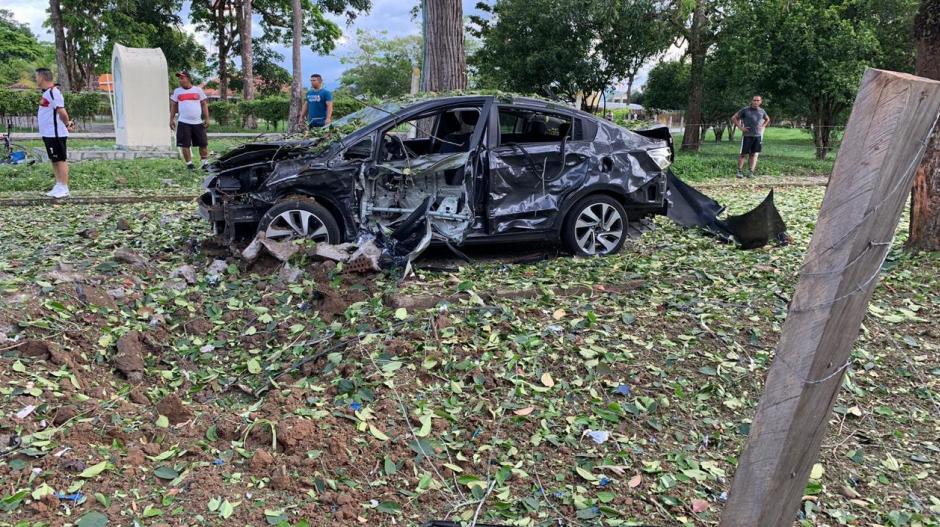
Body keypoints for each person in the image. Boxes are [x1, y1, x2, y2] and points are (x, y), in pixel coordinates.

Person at [36, 68, 75, 198]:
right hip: (48, 133)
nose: (36, 79)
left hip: (56, 133)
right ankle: (58, 185)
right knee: (54, 159)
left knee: (60, 159)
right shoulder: (47, 93)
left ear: (42, 77)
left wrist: (67, 124)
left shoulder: (53, 92)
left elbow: (61, 111)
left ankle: (64, 187)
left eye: (36, 77)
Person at [169, 71, 210, 170]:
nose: (180, 80)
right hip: (183, 122)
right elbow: (174, 106)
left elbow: (204, 104)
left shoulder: (198, 90)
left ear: (188, 79)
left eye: (182, 78)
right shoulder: (177, 91)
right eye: (179, 78)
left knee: (203, 143)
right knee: (185, 144)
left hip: (198, 122)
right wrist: (171, 119)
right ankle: (189, 164)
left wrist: (207, 118)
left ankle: (205, 163)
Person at [732, 95, 771, 178]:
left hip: (757, 136)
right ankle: (739, 172)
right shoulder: (745, 110)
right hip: (747, 136)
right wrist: (741, 127)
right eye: (754, 100)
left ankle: (750, 172)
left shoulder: (762, 111)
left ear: (760, 102)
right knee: (743, 154)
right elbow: (734, 118)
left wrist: (763, 126)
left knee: (752, 154)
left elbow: (767, 119)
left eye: (758, 100)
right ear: (752, 101)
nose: (756, 102)